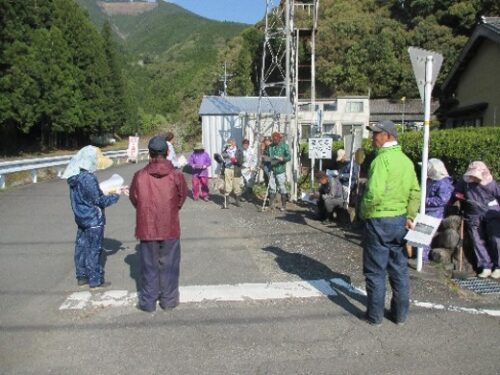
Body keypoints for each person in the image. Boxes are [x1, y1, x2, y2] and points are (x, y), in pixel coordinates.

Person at [360, 120, 420, 326]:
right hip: (401, 219)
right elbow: (415, 192)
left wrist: (364, 212)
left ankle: (375, 317)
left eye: (376, 133)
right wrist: (410, 216)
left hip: (379, 219)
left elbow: (374, 193)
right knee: (399, 269)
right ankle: (400, 316)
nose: (373, 137)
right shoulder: (406, 161)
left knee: (375, 271)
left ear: (388, 135)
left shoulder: (380, 161)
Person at [129, 136, 188, 312]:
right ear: (167, 152)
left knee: (148, 265)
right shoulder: (176, 175)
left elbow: (134, 199)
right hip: (169, 224)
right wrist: (170, 209)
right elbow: (181, 197)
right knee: (170, 264)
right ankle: (168, 300)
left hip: (147, 225)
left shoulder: (139, 176)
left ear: (149, 153)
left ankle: (148, 302)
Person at [63, 146, 125, 289]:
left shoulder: (74, 177)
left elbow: (86, 197)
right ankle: (95, 280)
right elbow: (99, 201)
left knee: (81, 246)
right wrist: (116, 194)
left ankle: (81, 276)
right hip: (93, 219)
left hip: (81, 217)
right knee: (94, 249)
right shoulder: (88, 178)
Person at [452, 161, 500, 278]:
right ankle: (485, 266)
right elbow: (456, 192)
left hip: (491, 213)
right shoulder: (465, 181)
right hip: (473, 214)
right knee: (477, 240)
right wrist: (459, 197)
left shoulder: (491, 183)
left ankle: (498, 266)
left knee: (495, 239)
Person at [423, 158, 454, 262]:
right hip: (426, 210)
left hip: (436, 212)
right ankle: (420, 257)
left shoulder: (444, 183)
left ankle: (423, 258)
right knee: (421, 235)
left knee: (425, 234)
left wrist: (424, 200)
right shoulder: (431, 180)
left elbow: (442, 200)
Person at [265, 132, 291, 211]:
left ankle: (283, 205)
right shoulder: (270, 147)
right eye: (274, 140)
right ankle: (271, 204)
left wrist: (283, 158)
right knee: (272, 187)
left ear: (280, 139)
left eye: (277, 140)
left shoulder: (284, 146)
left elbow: (289, 157)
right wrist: (266, 159)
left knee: (281, 187)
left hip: (280, 169)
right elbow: (266, 156)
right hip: (271, 169)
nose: (275, 141)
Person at [221, 138, 244, 207]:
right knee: (227, 185)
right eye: (229, 144)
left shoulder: (239, 151)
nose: (230, 145)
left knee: (236, 185)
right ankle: (226, 202)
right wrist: (227, 157)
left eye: (231, 144)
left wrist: (237, 161)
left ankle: (237, 201)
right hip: (228, 169)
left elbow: (241, 161)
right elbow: (223, 157)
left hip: (236, 169)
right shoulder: (225, 150)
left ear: (235, 144)